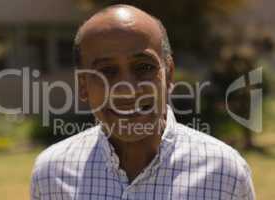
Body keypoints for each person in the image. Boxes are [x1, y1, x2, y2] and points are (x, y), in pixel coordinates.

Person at [30, 4, 255, 200]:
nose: (127, 90)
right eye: (107, 71)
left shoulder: (225, 173)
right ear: (83, 86)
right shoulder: (52, 174)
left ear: (169, 74)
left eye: (144, 67)